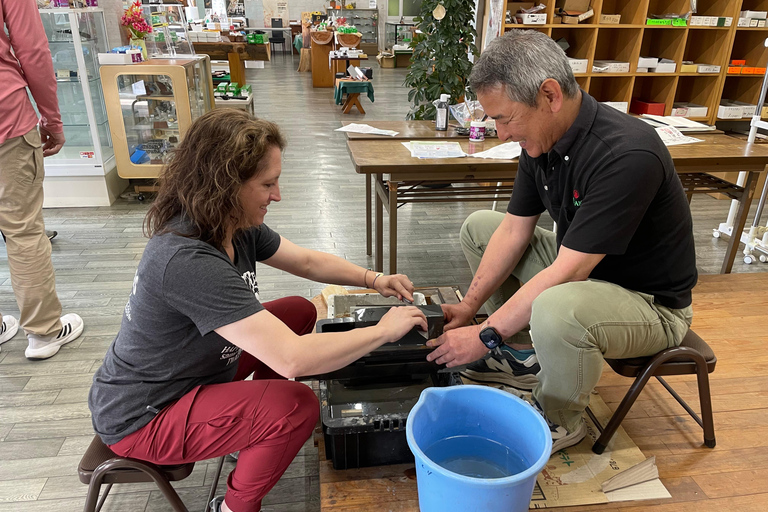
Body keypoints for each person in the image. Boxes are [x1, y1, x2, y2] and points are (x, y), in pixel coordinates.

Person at [88, 109, 427, 512]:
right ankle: (234, 506)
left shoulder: (230, 222)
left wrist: (373, 279)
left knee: (297, 310)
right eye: (267, 184)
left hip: (194, 372)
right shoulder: (187, 260)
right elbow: (292, 356)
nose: (277, 195)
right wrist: (384, 331)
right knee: (298, 406)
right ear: (225, 185)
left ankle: (248, 432)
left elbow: (304, 261)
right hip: (146, 416)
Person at [426, 30, 697, 453]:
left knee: (556, 307)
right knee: (480, 227)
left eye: (505, 118)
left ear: (549, 94)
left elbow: (570, 271)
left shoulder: (626, 154)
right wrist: (469, 308)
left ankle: (561, 418)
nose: (500, 133)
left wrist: (484, 335)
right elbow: (515, 229)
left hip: (649, 303)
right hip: (588, 272)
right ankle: (520, 354)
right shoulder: (542, 141)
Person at [0, 0, 83, 359]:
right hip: (6, 118)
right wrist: (52, 119)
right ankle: (44, 333)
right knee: (22, 230)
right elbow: (32, 49)